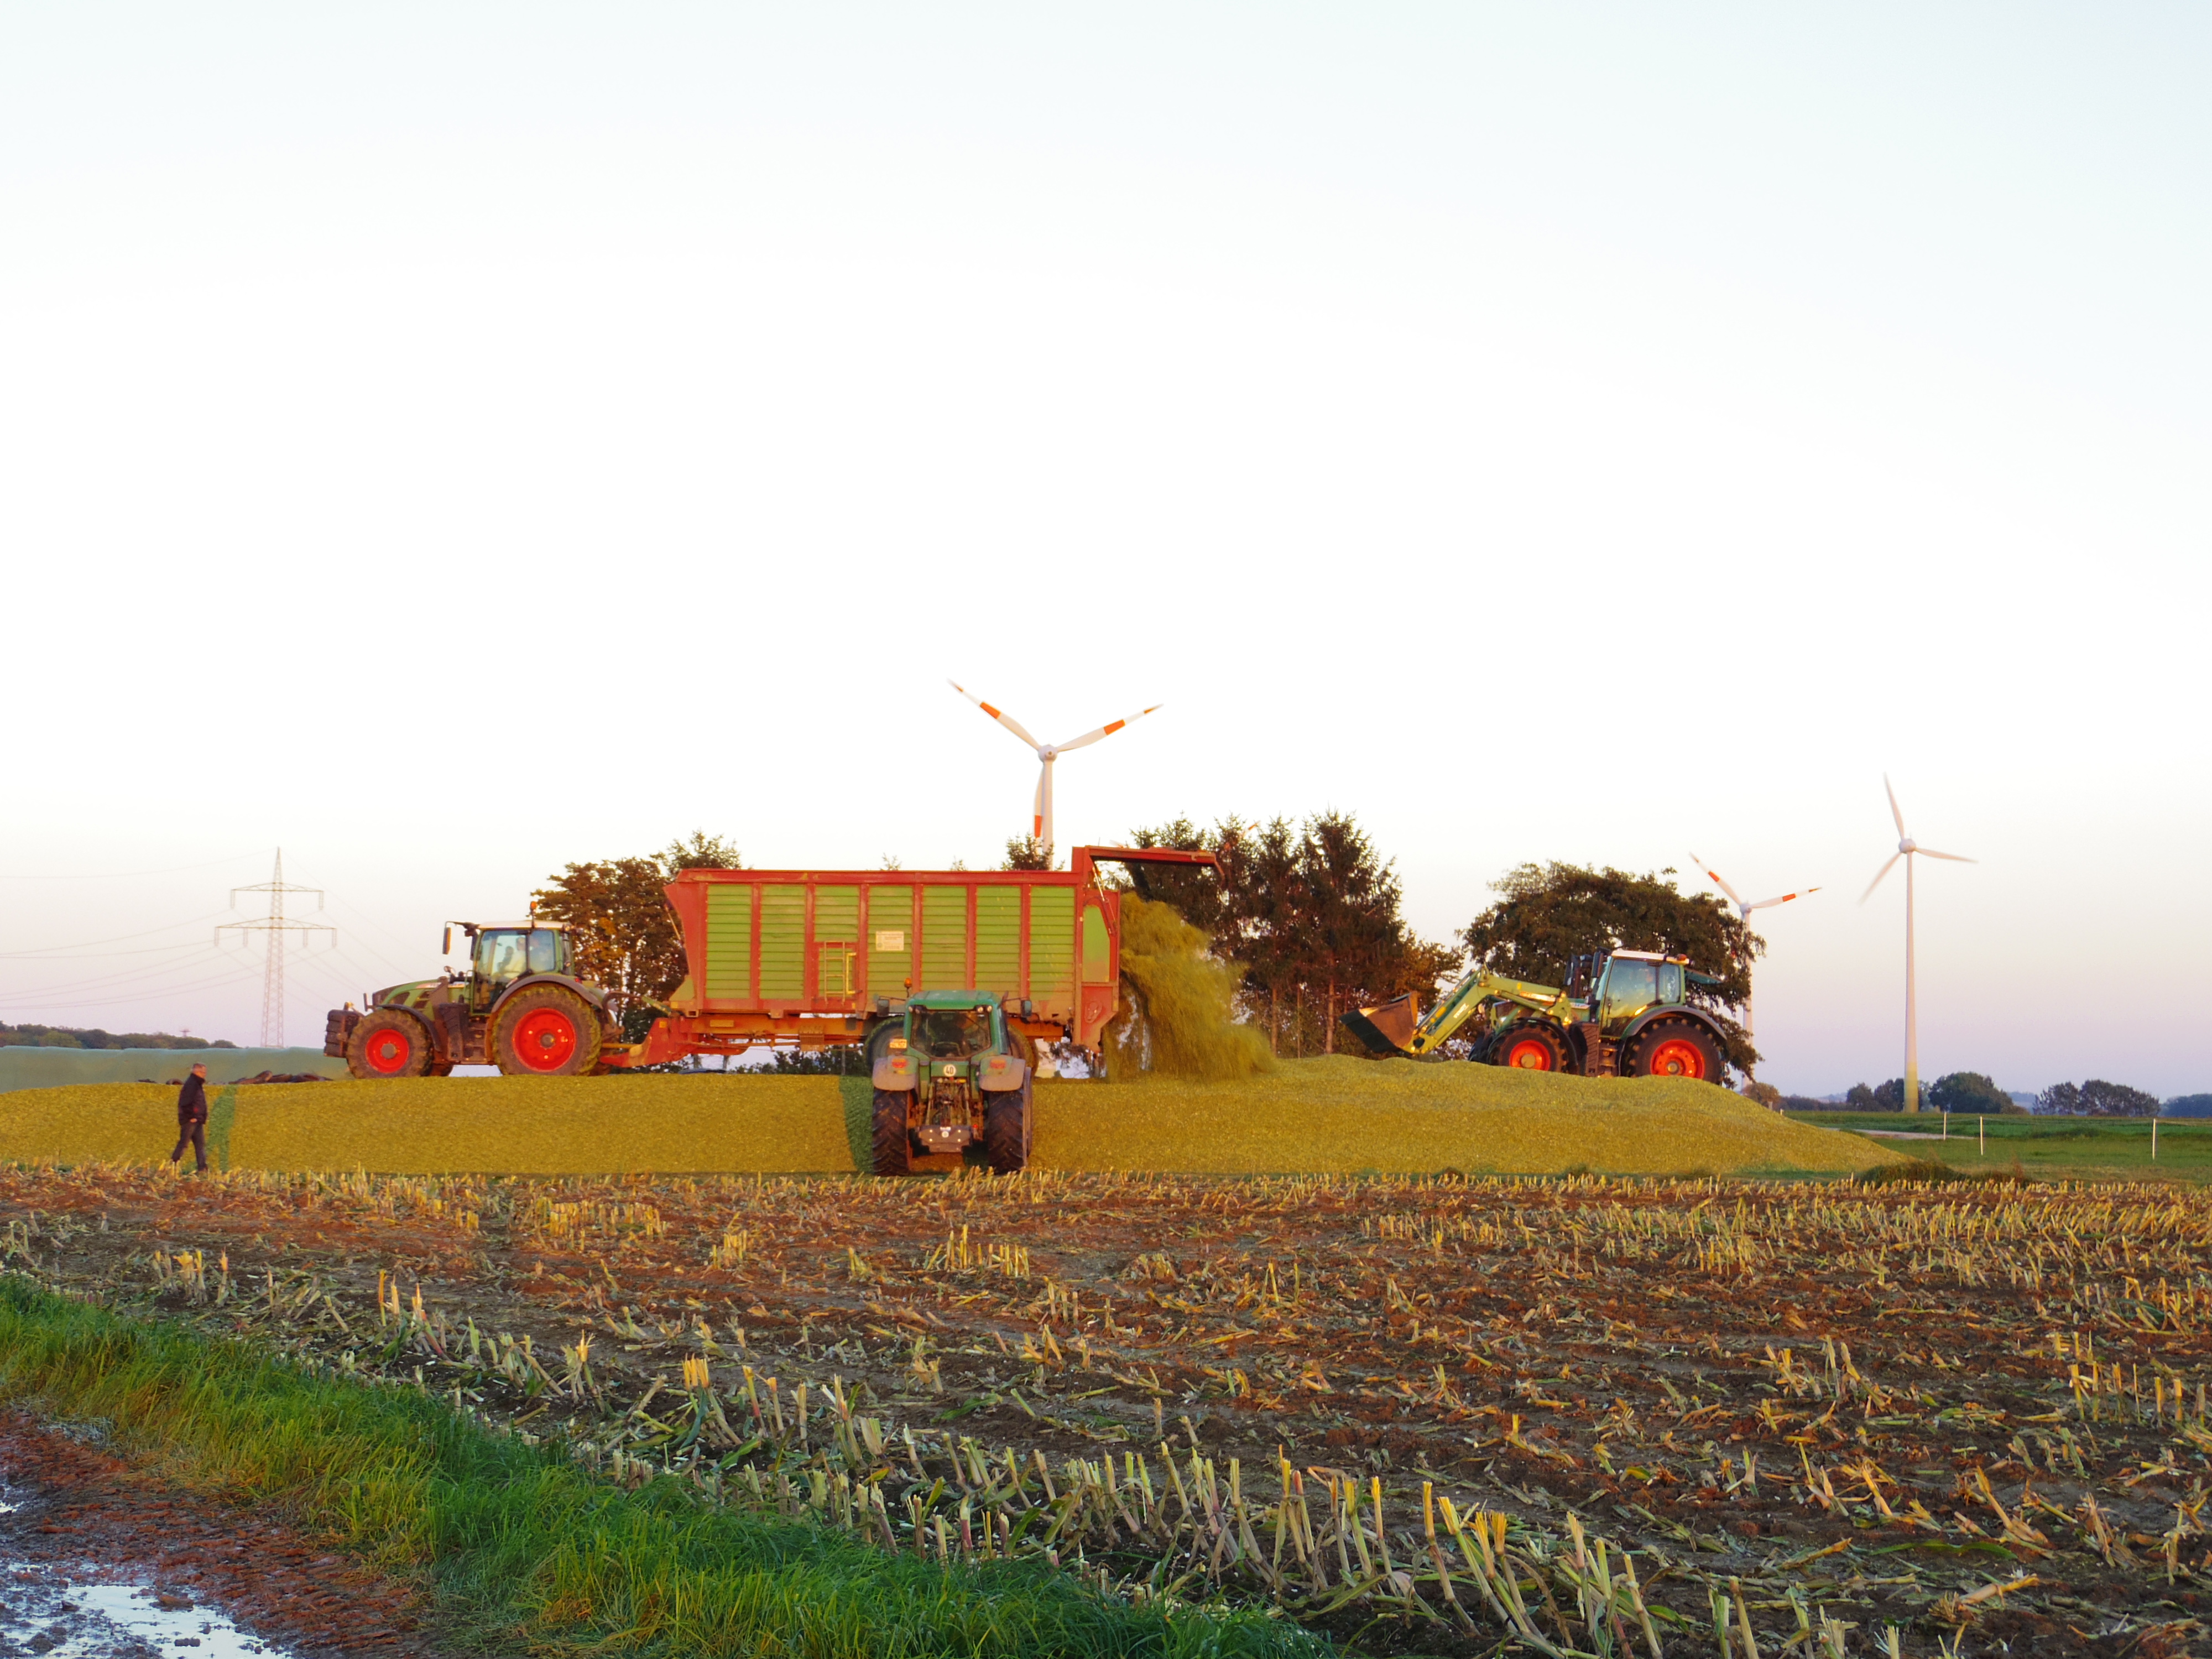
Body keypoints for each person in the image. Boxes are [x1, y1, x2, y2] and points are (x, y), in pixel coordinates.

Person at [171, 1062, 210, 1173]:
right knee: (184, 1143)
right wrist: (191, 1117)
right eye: (203, 1072)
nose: (204, 1075)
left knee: (200, 1145)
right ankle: (173, 1165)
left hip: (198, 1120)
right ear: (197, 1071)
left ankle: (202, 1168)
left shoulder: (197, 1084)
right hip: (191, 1121)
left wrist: (201, 1117)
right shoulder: (192, 1085)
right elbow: (185, 1103)